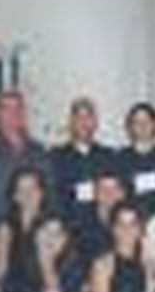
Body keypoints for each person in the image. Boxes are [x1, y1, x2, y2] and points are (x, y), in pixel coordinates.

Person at [0, 91, 54, 232]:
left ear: (24, 113)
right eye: (6, 108)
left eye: (17, 108)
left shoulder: (38, 150)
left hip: (36, 228)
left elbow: (49, 190)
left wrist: (42, 223)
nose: (13, 113)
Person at [49, 96, 117, 229]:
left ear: (95, 123)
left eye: (88, 117)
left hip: (102, 229)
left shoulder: (108, 156)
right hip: (69, 229)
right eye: (79, 117)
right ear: (71, 122)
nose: (84, 123)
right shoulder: (56, 157)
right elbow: (54, 197)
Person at [117, 102, 155, 220]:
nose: (142, 126)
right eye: (137, 122)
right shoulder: (119, 160)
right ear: (129, 127)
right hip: (129, 223)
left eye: (147, 121)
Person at [0, 167, 52, 288]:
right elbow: (2, 269)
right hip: (15, 290)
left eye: (33, 189)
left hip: (48, 288)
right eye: (22, 190)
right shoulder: (6, 228)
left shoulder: (53, 225)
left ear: (42, 193)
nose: (28, 195)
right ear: (15, 196)